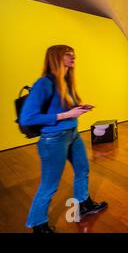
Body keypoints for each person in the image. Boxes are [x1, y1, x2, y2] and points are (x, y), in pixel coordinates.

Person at [20, 45, 107, 233]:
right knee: (49, 185)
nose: (73, 56)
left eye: (73, 53)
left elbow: (62, 109)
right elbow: (27, 117)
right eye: (68, 54)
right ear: (56, 57)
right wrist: (66, 115)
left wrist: (80, 108)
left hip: (73, 134)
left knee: (82, 169)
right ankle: (38, 224)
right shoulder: (44, 83)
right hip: (53, 140)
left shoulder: (66, 81)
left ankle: (84, 205)